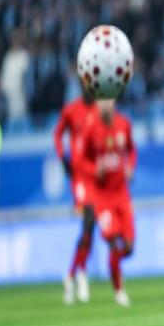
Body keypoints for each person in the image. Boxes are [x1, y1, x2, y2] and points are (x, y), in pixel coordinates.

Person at [80, 98, 137, 306]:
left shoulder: (124, 124)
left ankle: (113, 266)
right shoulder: (90, 128)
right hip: (102, 198)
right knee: (113, 243)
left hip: (122, 195)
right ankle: (119, 290)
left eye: (109, 100)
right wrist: (94, 169)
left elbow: (132, 150)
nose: (105, 105)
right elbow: (81, 159)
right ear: (97, 105)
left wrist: (130, 167)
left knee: (129, 247)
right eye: (102, 101)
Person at [54, 87, 97, 304]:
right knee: (88, 221)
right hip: (79, 177)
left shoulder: (99, 111)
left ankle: (72, 275)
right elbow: (57, 135)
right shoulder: (71, 110)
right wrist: (63, 158)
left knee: (90, 229)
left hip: (96, 177)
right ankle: (80, 275)